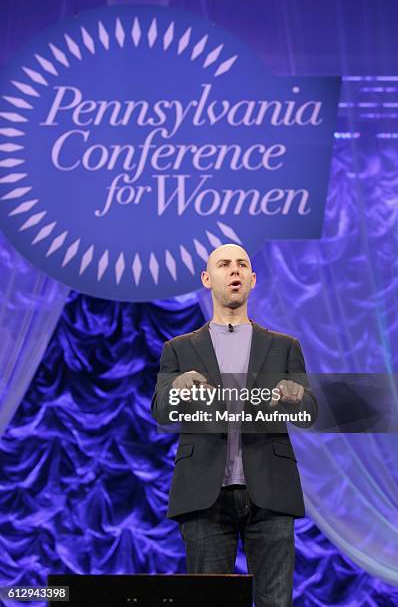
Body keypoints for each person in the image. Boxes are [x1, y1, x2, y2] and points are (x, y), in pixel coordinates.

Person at [152, 243, 318, 607]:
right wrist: (177, 389)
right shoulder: (179, 348)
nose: (235, 270)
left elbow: (308, 414)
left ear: (253, 279)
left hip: (270, 491)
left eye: (242, 264)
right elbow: (162, 412)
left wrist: (296, 397)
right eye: (224, 265)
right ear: (207, 279)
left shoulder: (284, 346)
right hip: (203, 494)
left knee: (276, 602)